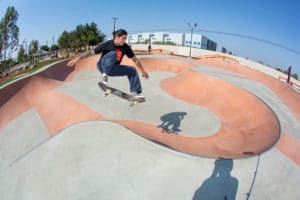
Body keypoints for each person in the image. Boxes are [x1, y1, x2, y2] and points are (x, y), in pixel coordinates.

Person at [67, 29, 149, 98]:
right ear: (116, 37)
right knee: (113, 53)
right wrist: (78, 59)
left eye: (125, 39)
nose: (124, 41)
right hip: (102, 66)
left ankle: (135, 93)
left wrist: (143, 71)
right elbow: (91, 52)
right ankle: (104, 78)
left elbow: (135, 60)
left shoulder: (126, 47)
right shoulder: (107, 44)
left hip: (113, 69)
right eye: (123, 38)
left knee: (132, 70)